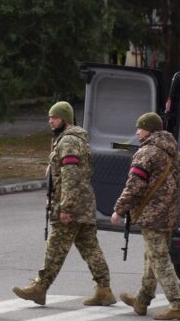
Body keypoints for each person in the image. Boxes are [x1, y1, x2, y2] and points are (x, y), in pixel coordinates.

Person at [13, 101, 116, 307]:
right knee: (90, 248)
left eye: (54, 117)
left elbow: (70, 175)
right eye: (49, 117)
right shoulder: (74, 139)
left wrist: (66, 207)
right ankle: (104, 289)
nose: (50, 121)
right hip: (84, 203)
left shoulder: (68, 141)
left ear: (65, 119)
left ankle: (40, 287)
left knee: (56, 246)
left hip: (72, 205)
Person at [111, 113, 180, 320]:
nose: (137, 132)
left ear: (149, 129)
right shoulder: (173, 151)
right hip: (169, 214)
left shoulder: (147, 152)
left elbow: (135, 185)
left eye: (140, 128)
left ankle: (177, 304)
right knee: (151, 257)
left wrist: (119, 209)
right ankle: (142, 300)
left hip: (152, 215)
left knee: (159, 259)